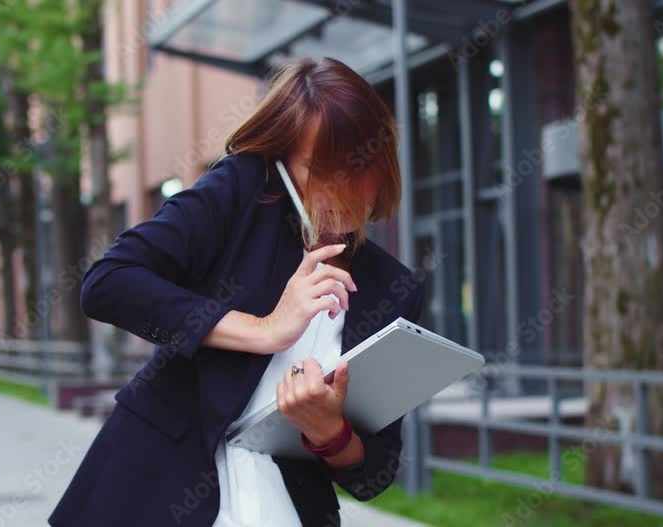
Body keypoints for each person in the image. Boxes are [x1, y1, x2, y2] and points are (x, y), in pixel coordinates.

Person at [48, 56, 427, 527]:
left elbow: (373, 475)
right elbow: (108, 282)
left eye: (356, 168)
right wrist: (263, 329)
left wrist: (329, 432)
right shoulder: (245, 191)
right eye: (320, 169)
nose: (339, 190)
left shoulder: (393, 288)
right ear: (285, 158)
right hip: (156, 489)